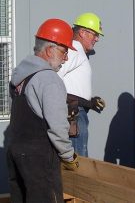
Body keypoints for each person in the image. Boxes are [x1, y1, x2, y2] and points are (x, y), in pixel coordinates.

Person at [6, 18, 79, 203]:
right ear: (49, 49)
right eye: (64, 51)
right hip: (39, 159)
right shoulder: (48, 79)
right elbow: (58, 126)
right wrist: (68, 156)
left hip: (16, 154)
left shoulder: (19, 76)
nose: (66, 58)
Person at [57, 12, 106, 157]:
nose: (97, 39)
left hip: (76, 111)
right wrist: (67, 104)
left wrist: (89, 102)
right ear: (83, 32)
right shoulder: (74, 50)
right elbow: (54, 76)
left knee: (77, 158)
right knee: (78, 162)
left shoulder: (76, 51)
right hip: (73, 114)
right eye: (94, 34)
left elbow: (71, 85)